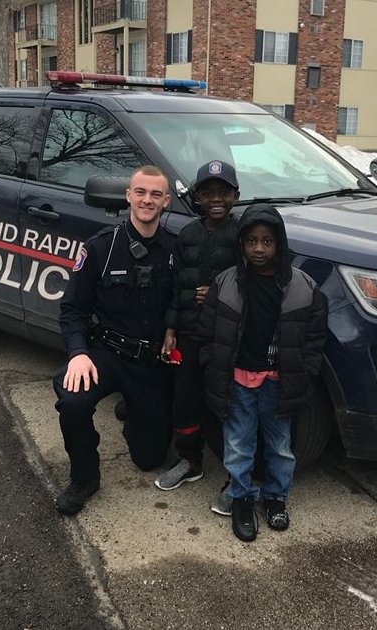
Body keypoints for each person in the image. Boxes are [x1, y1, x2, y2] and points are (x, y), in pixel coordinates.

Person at [197, 204, 327, 542]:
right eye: (251, 241)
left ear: (279, 244)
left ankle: (275, 498)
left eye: (267, 241)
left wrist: (306, 370)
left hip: (278, 383)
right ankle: (241, 499)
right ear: (241, 244)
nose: (258, 249)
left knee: (280, 445)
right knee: (238, 443)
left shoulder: (303, 287)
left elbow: (314, 337)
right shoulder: (225, 283)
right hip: (238, 379)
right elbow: (208, 332)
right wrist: (211, 362)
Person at [53, 165, 178, 515]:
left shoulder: (175, 251)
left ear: (166, 201)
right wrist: (78, 353)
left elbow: (181, 303)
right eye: (140, 192)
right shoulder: (100, 249)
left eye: (156, 194)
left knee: (149, 459)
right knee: (73, 400)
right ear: (128, 196)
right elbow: (72, 310)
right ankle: (84, 477)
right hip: (107, 354)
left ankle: (135, 413)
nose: (147, 200)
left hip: (151, 364)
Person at [153, 160, 242, 517]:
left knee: (227, 405)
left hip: (226, 338)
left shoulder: (243, 235)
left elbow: (256, 285)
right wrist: (171, 329)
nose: (215, 199)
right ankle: (190, 460)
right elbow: (176, 288)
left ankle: (239, 475)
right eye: (208, 193)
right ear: (198, 198)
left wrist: (219, 295)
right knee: (184, 398)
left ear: (236, 196)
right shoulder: (187, 235)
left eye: (223, 192)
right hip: (189, 335)